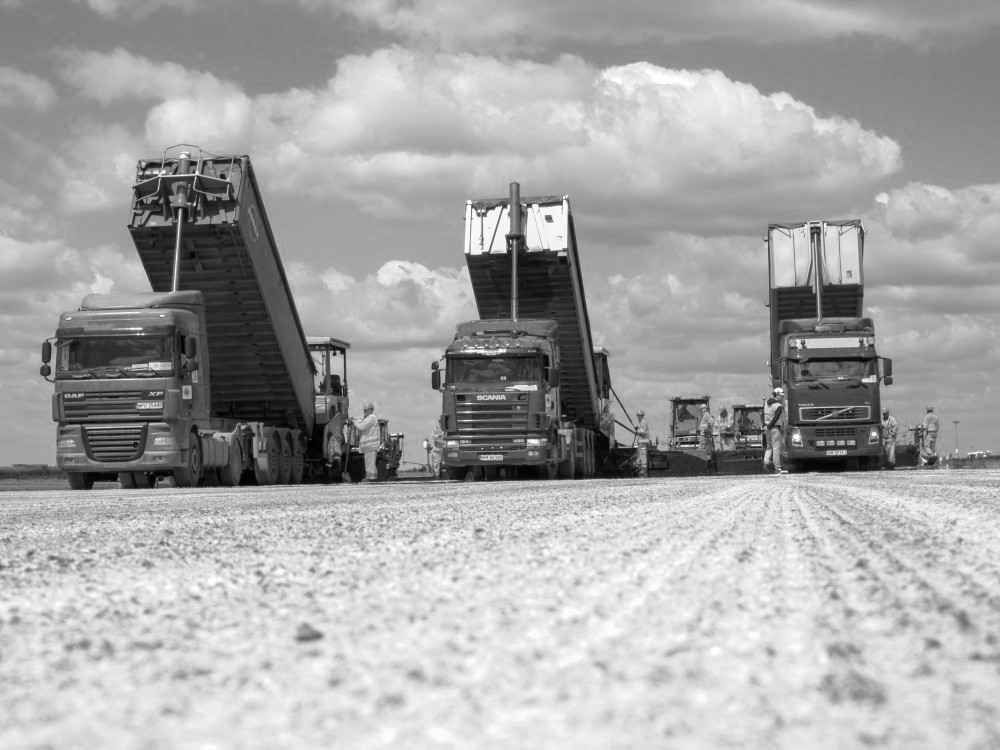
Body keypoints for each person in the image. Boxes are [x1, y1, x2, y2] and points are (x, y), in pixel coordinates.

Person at [349, 400, 380, 482]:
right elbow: (362, 424)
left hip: (371, 446)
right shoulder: (369, 418)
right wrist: (355, 421)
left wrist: (353, 421)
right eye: (364, 410)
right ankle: (371, 478)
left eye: (366, 410)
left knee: (370, 464)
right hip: (369, 447)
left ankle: (371, 479)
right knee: (369, 463)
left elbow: (361, 426)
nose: (365, 411)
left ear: (371, 410)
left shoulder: (371, 417)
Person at [763, 387, 786, 474]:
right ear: (776, 395)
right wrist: (769, 426)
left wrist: (766, 426)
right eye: (781, 396)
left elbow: (763, 415)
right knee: (776, 448)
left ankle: (766, 463)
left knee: (769, 447)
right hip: (775, 428)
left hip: (767, 428)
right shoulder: (778, 406)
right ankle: (777, 468)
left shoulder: (766, 403)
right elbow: (776, 418)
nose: (782, 397)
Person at [635, 409, 650, 478]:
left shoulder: (643, 423)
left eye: (640, 416)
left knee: (643, 455)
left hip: (643, 442)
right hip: (641, 442)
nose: (638, 417)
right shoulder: (641, 423)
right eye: (638, 416)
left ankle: (644, 470)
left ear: (642, 416)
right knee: (640, 456)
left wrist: (637, 430)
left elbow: (642, 432)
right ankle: (640, 468)